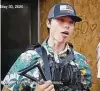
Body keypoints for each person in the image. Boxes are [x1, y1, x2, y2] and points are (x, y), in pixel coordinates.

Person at [2, 3, 92, 91]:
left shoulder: (80, 60)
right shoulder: (28, 58)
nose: (67, 25)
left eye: (71, 22)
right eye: (61, 20)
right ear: (48, 23)